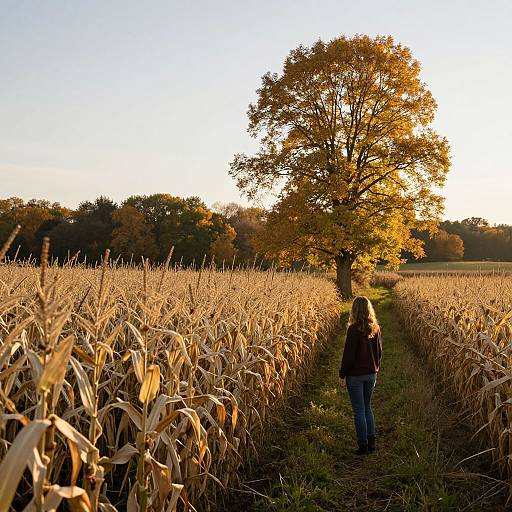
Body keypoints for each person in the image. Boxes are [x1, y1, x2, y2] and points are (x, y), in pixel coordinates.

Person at [338, 296, 382, 455]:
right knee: (367, 407)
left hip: (356, 376)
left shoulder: (353, 330)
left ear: (354, 310)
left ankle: (363, 446)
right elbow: (379, 352)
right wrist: (375, 368)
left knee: (359, 410)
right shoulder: (375, 328)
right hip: (371, 374)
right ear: (369, 309)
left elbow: (348, 356)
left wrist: (342, 374)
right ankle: (371, 441)